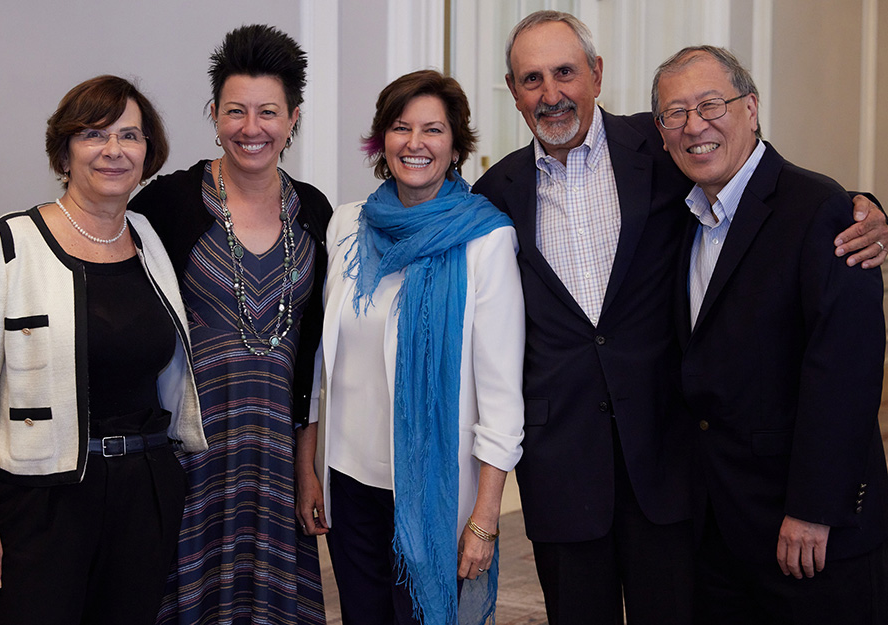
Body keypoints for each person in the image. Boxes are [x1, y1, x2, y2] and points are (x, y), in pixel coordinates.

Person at [470, 10, 888, 625]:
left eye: (565, 72)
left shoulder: (663, 148)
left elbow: (763, 184)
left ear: (596, 75)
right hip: (563, 467)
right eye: (531, 79)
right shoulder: (496, 192)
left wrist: (862, 209)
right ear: (512, 90)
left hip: (670, 464)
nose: (551, 93)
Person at [0, 75, 207, 625]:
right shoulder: (6, 243)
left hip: (144, 489)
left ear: (147, 153)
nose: (113, 151)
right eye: (93, 134)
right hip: (43, 499)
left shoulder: (148, 239)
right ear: (64, 151)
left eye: (129, 136)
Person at [652, 45, 888, 625]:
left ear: (751, 108)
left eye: (711, 104)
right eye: (674, 113)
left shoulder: (825, 212)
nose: (694, 125)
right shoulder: (682, 217)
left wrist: (814, 509)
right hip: (720, 529)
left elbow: (847, 373)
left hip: (809, 536)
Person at [296, 69, 525, 625]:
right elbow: (323, 364)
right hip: (349, 483)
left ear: (455, 144)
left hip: (434, 490)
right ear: (382, 140)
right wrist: (310, 466)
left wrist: (484, 518)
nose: (415, 144)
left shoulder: (486, 239)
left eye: (433, 130)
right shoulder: (348, 225)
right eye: (401, 128)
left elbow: (500, 395)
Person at [128, 24, 331, 625]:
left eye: (268, 112)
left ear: (293, 118)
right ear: (214, 114)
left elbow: (312, 357)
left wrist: (306, 467)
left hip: (272, 460)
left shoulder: (314, 212)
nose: (251, 128)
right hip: (189, 458)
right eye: (236, 111)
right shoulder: (163, 206)